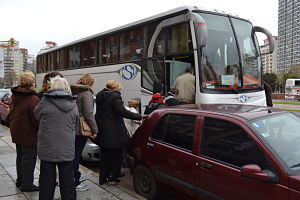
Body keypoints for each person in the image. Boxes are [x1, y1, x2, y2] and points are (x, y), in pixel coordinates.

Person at [34, 77, 78, 200]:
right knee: (68, 178)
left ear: (52, 86)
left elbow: (36, 115)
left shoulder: (45, 101)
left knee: (47, 179)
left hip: (47, 146)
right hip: (67, 146)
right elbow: (76, 123)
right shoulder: (73, 103)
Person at [95, 80, 143, 185]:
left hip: (103, 130)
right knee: (117, 155)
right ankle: (113, 177)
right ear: (116, 87)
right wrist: (139, 116)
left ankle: (103, 178)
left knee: (105, 156)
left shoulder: (100, 95)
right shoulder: (115, 96)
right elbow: (122, 111)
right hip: (114, 132)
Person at [10, 72, 40, 192]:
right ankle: (27, 185)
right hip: (29, 134)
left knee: (20, 157)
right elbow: (36, 119)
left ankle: (20, 180)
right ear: (32, 83)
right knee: (29, 159)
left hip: (17, 131)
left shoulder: (15, 94)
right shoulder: (33, 98)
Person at [70, 74, 98, 191]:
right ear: (90, 83)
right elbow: (88, 114)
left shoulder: (74, 92)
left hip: (71, 125)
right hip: (80, 128)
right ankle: (75, 182)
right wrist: (95, 129)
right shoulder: (86, 93)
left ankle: (74, 177)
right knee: (76, 155)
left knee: (72, 154)